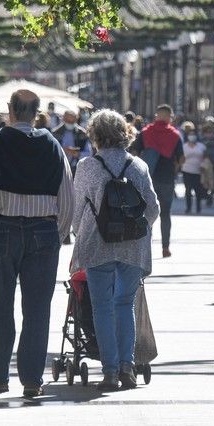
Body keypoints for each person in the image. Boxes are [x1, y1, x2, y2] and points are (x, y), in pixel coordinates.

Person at [0, 89, 75, 398]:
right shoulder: (53, 147)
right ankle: (31, 379)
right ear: (36, 112)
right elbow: (67, 198)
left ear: (10, 111)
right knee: (37, 309)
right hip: (43, 232)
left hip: (2, 231)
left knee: (0, 307)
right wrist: (58, 233)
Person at [71, 111, 159, 391]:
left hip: (98, 244)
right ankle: (127, 367)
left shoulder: (87, 166)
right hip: (133, 246)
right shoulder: (139, 166)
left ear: (95, 136)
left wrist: (79, 232)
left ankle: (109, 372)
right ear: (125, 133)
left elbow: (76, 211)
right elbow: (153, 208)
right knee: (125, 303)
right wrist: (135, 229)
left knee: (102, 307)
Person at [134, 104, 184, 257]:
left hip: (147, 178)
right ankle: (165, 247)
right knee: (165, 214)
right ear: (170, 117)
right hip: (167, 179)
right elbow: (181, 158)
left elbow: (135, 152)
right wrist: (174, 169)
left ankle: (146, 246)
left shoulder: (145, 132)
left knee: (146, 213)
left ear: (156, 116)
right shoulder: (175, 135)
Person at [181, 121, 206, 214]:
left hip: (198, 171)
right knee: (188, 191)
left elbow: (205, 158)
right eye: (190, 134)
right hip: (186, 170)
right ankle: (188, 208)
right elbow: (181, 158)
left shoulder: (201, 146)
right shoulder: (184, 146)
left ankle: (198, 208)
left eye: (193, 134)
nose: (192, 136)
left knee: (198, 191)